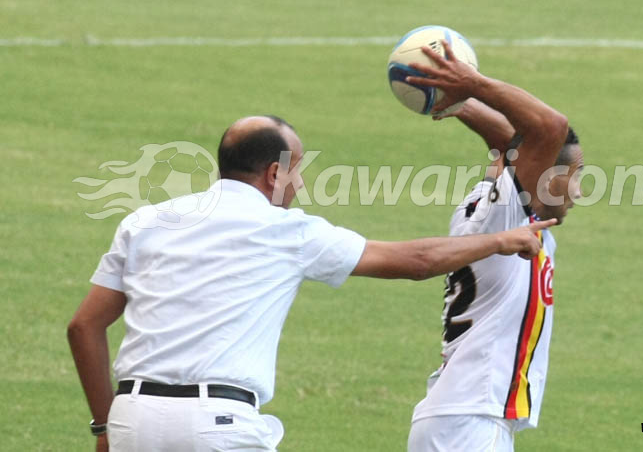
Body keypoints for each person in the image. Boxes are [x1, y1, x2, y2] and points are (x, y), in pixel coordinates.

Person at [67, 115, 556, 452]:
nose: (298, 185)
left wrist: (105, 423)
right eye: (297, 171)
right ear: (275, 171)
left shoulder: (146, 222)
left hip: (132, 418)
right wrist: (497, 241)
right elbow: (416, 260)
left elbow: (84, 327)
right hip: (217, 428)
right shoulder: (287, 231)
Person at [405, 42, 583, 452]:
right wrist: (474, 84)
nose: (578, 190)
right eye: (573, 174)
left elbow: (511, 141)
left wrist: (455, 101)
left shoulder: (491, 205)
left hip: (460, 416)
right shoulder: (506, 213)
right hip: (469, 422)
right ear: (538, 173)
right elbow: (550, 128)